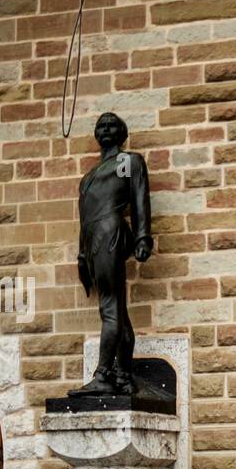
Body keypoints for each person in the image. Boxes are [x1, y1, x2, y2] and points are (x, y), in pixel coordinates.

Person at [69, 112, 152, 397]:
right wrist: (82, 256)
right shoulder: (88, 178)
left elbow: (139, 196)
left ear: (122, 131)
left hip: (111, 231)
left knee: (110, 307)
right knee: (117, 310)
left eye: (112, 125)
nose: (106, 129)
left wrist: (143, 236)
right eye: (101, 126)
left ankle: (102, 375)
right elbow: (83, 219)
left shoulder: (124, 163)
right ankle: (123, 373)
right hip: (93, 240)